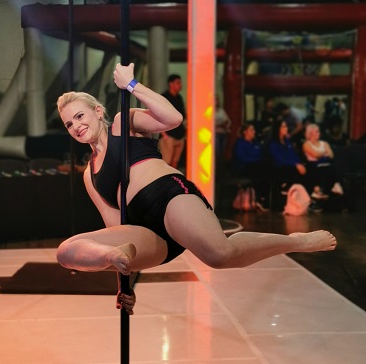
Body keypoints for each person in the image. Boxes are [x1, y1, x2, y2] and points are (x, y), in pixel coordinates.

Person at [56, 63, 337, 315]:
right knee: (66, 252)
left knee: (220, 255)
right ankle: (110, 258)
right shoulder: (90, 175)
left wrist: (131, 85)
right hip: (144, 231)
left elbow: (173, 119)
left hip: (167, 196)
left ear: (98, 111)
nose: (76, 126)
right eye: (69, 124)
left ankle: (296, 242)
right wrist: (124, 285)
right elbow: (115, 228)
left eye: (80, 116)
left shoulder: (122, 123)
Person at [232, 123, 269, 210]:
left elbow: (261, 155)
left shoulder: (256, 144)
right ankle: (259, 198)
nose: (254, 132)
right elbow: (242, 158)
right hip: (243, 168)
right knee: (260, 169)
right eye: (251, 130)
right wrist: (256, 160)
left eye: (254, 130)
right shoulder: (240, 143)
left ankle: (263, 198)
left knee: (266, 168)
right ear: (245, 132)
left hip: (256, 166)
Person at [302, 123, 344, 200]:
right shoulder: (306, 144)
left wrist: (321, 154)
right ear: (310, 133)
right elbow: (316, 155)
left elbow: (331, 155)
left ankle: (335, 186)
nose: (318, 133)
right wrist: (324, 153)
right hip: (313, 166)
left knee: (333, 167)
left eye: (319, 131)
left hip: (326, 164)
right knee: (323, 170)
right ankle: (317, 190)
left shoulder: (324, 143)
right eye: (316, 132)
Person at [268, 118, 307, 193]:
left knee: (307, 168)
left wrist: (299, 164)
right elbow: (279, 159)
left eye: (286, 126)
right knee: (293, 171)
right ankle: (287, 188)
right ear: (278, 129)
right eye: (284, 127)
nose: (286, 128)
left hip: (292, 165)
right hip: (280, 168)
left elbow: (294, 154)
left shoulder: (287, 142)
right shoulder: (273, 144)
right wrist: (295, 165)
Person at [159, 74, 186, 169]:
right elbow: (159, 115)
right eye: (178, 83)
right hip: (168, 135)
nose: (180, 85)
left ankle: (174, 178)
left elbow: (183, 115)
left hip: (179, 134)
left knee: (175, 162)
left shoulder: (179, 98)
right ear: (171, 84)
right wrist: (164, 134)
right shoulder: (164, 97)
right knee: (167, 162)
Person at [215, 94, 231, 160]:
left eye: (216, 100)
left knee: (222, 152)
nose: (215, 101)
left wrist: (222, 125)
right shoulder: (207, 111)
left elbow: (228, 121)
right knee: (216, 151)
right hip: (214, 134)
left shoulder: (221, 111)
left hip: (223, 133)